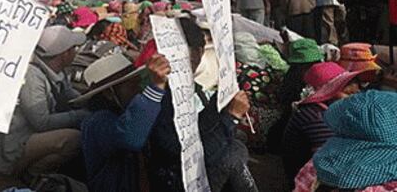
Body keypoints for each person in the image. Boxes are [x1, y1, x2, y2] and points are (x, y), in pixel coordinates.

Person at [148, 16, 257, 192]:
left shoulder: (181, 87)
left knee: (237, 147)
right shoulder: (162, 96)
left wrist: (221, 102)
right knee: (232, 154)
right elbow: (196, 159)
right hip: (178, 181)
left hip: (181, 171)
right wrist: (231, 117)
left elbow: (196, 129)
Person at [0, 25, 90, 180]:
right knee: (73, 139)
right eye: (73, 48)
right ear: (65, 53)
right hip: (14, 142)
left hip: (29, 135)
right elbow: (42, 122)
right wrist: (80, 116)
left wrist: (90, 101)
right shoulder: (32, 76)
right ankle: (33, 176)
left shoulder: (57, 71)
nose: (76, 52)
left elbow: (71, 97)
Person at [78, 53, 171, 192]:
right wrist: (155, 88)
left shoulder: (127, 113)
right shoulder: (96, 122)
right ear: (109, 93)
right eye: (132, 86)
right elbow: (130, 137)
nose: (139, 90)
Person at [281, 62, 367, 188]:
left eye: (357, 94)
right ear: (328, 93)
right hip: (310, 183)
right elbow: (334, 162)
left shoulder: (325, 111)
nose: (355, 99)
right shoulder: (315, 117)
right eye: (348, 94)